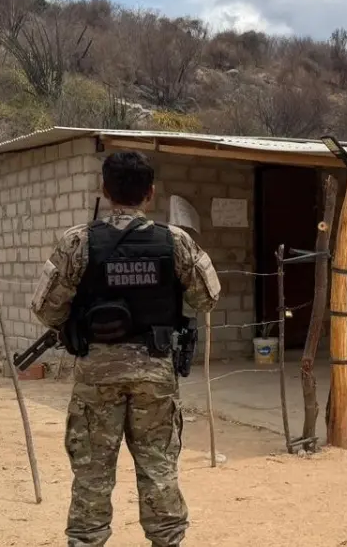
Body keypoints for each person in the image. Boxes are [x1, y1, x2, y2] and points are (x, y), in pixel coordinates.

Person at [30, 150, 221, 547]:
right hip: (155, 372)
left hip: (96, 374)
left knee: (92, 471)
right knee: (158, 467)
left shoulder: (78, 241)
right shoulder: (175, 241)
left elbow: (46, 309)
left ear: (105, 189)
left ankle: (86, 541)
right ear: (150, 193)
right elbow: (206, 299)